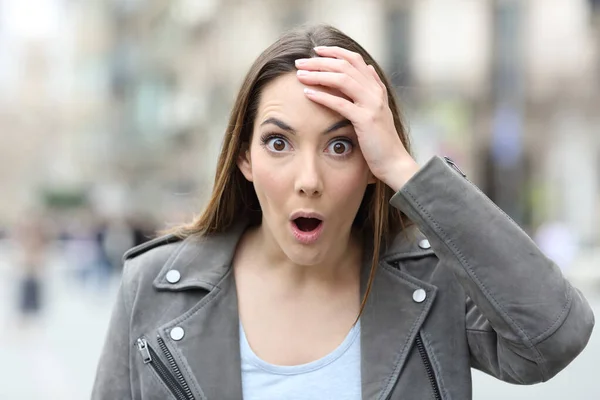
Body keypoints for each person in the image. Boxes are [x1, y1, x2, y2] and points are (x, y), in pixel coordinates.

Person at [92, 24, 594, 400]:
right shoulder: (156, 286)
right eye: (278, 142)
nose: (308, 180)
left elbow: (555, 337)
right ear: (244, 156)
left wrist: (406, 169)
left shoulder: (433, 280)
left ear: (371, 163)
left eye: (340, 146)